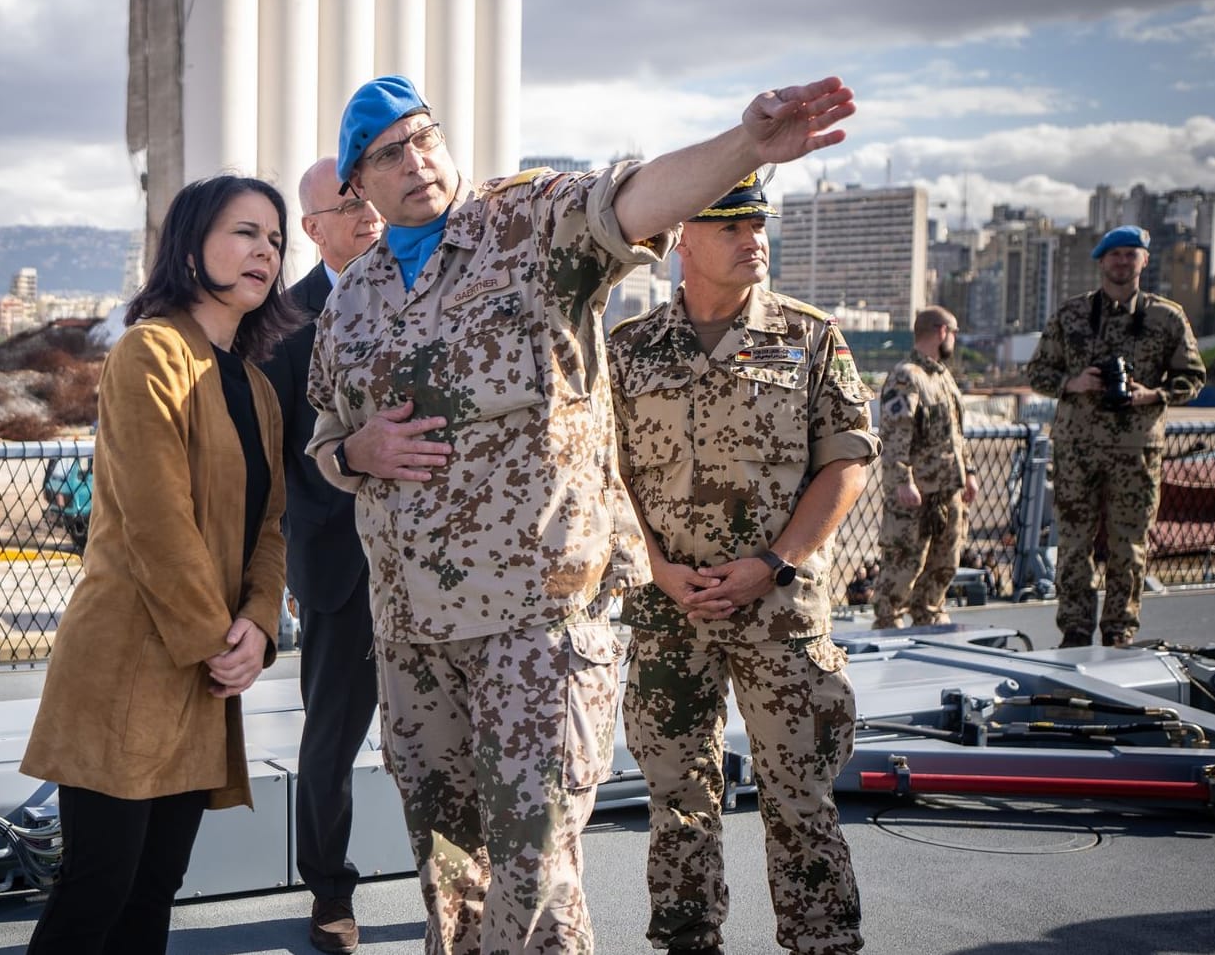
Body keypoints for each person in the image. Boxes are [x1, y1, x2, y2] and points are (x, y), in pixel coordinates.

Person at [306, 73, 856, 953]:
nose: (416, 161)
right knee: (449, 861)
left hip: (539, 622)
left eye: (425, 136)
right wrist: (356, 452)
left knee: (535, 866)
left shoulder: (526, 224)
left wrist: (744, 147)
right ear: (356, 184)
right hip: (413, 633)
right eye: (387, 154)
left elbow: (633, 197)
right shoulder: (353, 299)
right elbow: (327, 440)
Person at [21, 175, 298, 954]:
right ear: (187, 246)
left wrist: (259, 621)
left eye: (275, 239)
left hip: (205, 667)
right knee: (96, 890)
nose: (265, 252)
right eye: (246, 232)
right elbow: (155, 520)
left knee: (153, 892)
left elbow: (270, 523)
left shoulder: (255, 386)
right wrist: (222, 639)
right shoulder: (149, 352)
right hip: (127, 664)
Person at [608, 173, 878, 955]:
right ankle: (690, 941)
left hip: (780, 612)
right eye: (729, 225)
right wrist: (656, 568)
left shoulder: (809, 335)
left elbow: (848, 460)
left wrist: (775, 561)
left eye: (757, 223)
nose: (751, 237)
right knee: (678, 799)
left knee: (800, 798)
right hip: (669, 613)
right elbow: (604, 475)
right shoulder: (628, 352)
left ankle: (823, 941)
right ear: (682, 241)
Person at [259, 157, 385, 953]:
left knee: (449, 732)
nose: (367, 207)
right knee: (331, 741)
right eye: (348, 201)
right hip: (339, 567)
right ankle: (329, 893)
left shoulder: (430, 294)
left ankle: (468, 880)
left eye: (369, 193)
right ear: (313, 228)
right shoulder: (280, 326)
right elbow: (275, 460)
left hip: (439, 565)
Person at [1024, 225, 1205, 648]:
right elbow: (1037, 372)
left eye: (1131, 254)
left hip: (1136, 450)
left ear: (1144, 260)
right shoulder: (1071, 314)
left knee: (1130, 545)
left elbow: (1193, 377)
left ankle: (1119, 630)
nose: (1122, 261)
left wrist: (1152, 394)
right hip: (1077, 449)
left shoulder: (1167, 316)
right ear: (1101, 261)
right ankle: (1075, 629)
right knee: (1072, 543)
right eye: (1115, 254)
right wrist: (1072, 383)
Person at [871, 306, 977, 629]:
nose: (955, 340)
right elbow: (895, 432)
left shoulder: (942, 377)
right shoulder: (907, 376)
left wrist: (969, 473)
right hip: (917, 496)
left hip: (948, 491)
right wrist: (903, 480)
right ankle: (890, 627)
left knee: (944, 565)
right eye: (954, 332)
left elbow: (955, 433)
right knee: (904, 566)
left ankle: (929, 620)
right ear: (941, 331)